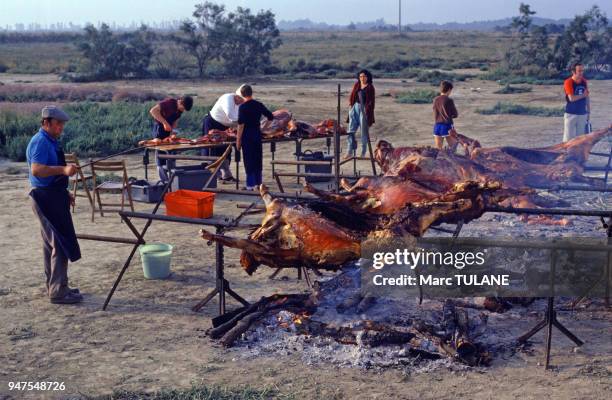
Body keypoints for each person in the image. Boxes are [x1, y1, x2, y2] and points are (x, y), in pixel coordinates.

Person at [27, 106, 83, 304]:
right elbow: (37, 170)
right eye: (57, 124)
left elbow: (48, 174)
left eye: (62, 124)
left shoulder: (50, 141)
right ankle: (58, 292)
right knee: (59, 242)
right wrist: (63, 169)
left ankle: (57, 286)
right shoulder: (41, 141)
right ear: (46, 123)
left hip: (52, 195)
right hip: (44, 198)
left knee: (49, 243)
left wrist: (64, 191)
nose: (61, 127)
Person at [200, 87, 246, 183]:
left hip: (225, 127)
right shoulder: (227, 98)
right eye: (241, 100)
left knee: (226, 150)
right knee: (211, 149)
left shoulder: (241, 104)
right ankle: (209, 175)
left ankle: (226, 175)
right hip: (212, 123)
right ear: (237, 96)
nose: (242, 102)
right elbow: (231, 117)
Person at [236, 85, 273, 190]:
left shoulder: (243, 107)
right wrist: (263, 128)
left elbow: (241, 125)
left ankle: (250, 185)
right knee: (257, 159)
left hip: (247, 137)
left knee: (249, 160)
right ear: (251, 93)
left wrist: (238, 140)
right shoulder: (259, 105)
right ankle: (259, 184)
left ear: (242, 95)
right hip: (257, 135)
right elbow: (270, 117)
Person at [148, 95, 193, 181]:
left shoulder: (180, 109)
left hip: (168, 131)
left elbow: (175, 121)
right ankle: (164, 180)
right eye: (182, 108)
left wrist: (173, 132)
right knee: (161, 155)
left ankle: (172, 178)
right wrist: (164, 123)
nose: (182, 110)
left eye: (184, 110)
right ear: (180, 101)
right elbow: (153, 111)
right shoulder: (169, 103)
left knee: (172, 153)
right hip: (159, 130)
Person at [345, 69, 375, 159]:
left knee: (363, 132)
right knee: (350, 130)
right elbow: (352, 95)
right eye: (361, 76)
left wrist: (367, 110)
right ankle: (349, 151)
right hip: (355, 107)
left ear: (367, 77)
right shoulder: (357, 85)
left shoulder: (370, 87)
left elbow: (371, 101)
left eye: (364, 76)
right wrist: (351, 106)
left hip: (364, 109)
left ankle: (363, 152)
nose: (362, 78)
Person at [563, 62, 590, 142]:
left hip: (582, 114)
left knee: (580, 140)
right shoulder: (568, 82)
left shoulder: (584, 81)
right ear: (573, 72)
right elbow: (571, 98)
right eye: (579, 71)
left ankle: (579, 154)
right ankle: (566, 154)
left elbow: (587, 97)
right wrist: (583, 95)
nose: (582, 73)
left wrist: (588, 111)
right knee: (568, 140)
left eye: (582, 70)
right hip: (571, 114)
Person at [432, 80, 458, 150]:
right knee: (454, 146)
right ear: (449, 89)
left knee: (438, 148)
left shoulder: (435, 99)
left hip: (437, 125)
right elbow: (455, 114)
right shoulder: (449, 100)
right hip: (447, 125)